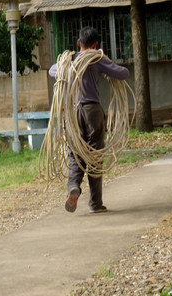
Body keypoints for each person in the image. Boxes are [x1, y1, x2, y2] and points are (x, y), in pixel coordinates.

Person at [49, 26, 129, 213]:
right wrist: (109, 71)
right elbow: (124, 73)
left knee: (76, 153)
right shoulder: (97, 59)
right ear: (95, 44)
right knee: (94, 156)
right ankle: (95, 203)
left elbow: (52, 71)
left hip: (73, 113)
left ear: (79, 43)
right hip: (92, 111)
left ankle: (73, 186)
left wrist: (66, 64)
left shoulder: (68, 60)